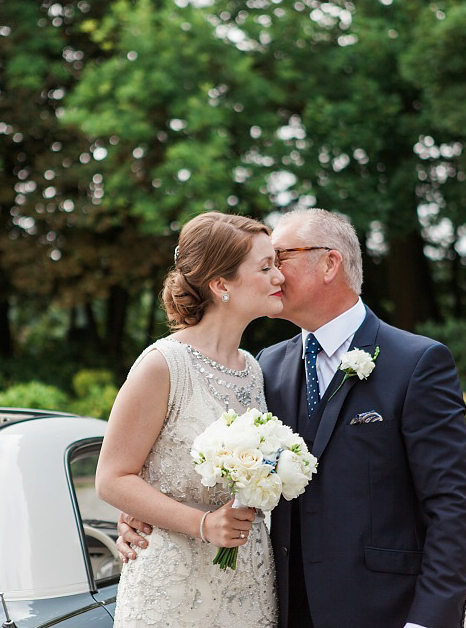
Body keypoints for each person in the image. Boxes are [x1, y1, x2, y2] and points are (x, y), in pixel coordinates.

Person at [118, 208, 466, 628]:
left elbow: (453, 504)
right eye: (264, 264)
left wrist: (429, 620)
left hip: (384, 610)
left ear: (330, 263)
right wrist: (142, 509)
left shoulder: (416, 362)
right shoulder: (264, 368)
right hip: (282, 606)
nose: (273, 275)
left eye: (280, 258)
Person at [95, 211, 283, 628]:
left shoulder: (252, 369)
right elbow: (112, 478)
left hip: (247, 585)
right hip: (173, 591)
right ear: (221, 285)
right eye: (266, 267)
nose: (279, 278)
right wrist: (203, 524)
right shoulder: (163, 365)